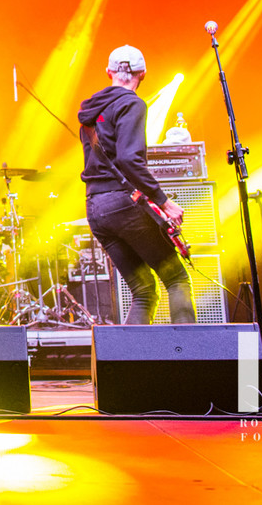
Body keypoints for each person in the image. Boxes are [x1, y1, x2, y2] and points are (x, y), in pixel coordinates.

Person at [78, 45, 194, 324]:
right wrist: (164, 201)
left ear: (109, 72)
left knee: (143, 291)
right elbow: (129, 160)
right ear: (143, 74)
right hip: (123, 204)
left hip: (96, 208)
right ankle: (188, 350)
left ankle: (131, 355)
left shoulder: (90, 112)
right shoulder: (132, 104)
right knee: (176, 279)